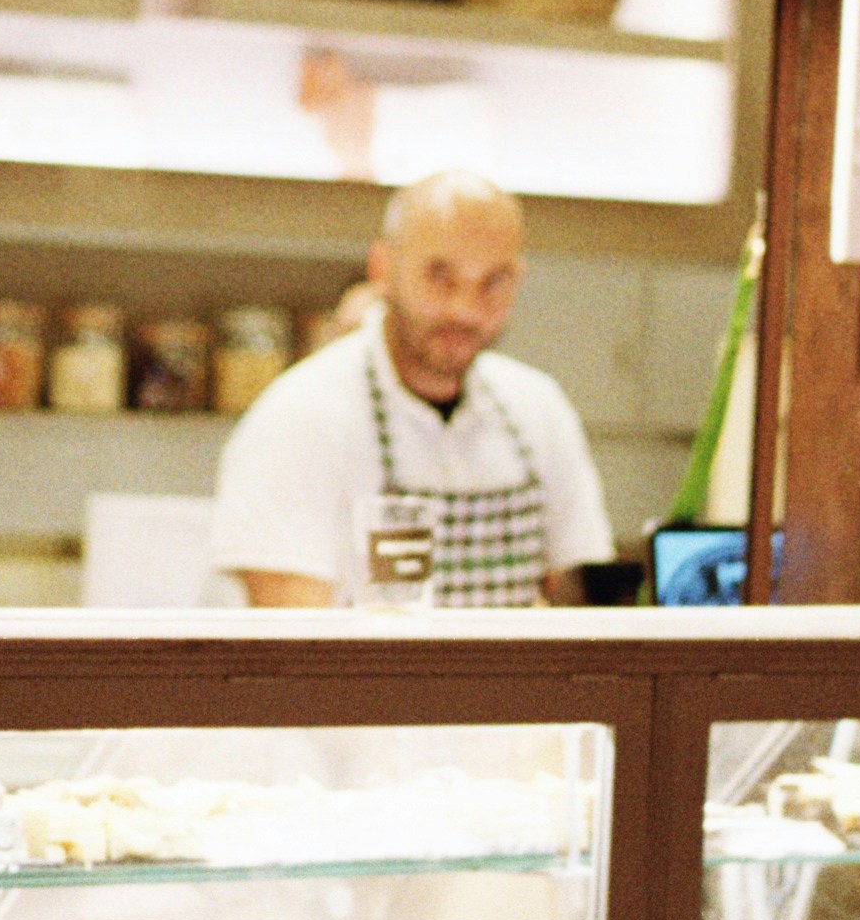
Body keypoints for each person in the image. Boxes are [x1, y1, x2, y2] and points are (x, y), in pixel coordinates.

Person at [209, 171, 613, 608]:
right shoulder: (298, 418)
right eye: (440, 275)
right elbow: (293, 638)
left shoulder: (540, 408)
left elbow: (584, 607)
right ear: (383, 269)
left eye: (493, 281)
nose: (464, 309)